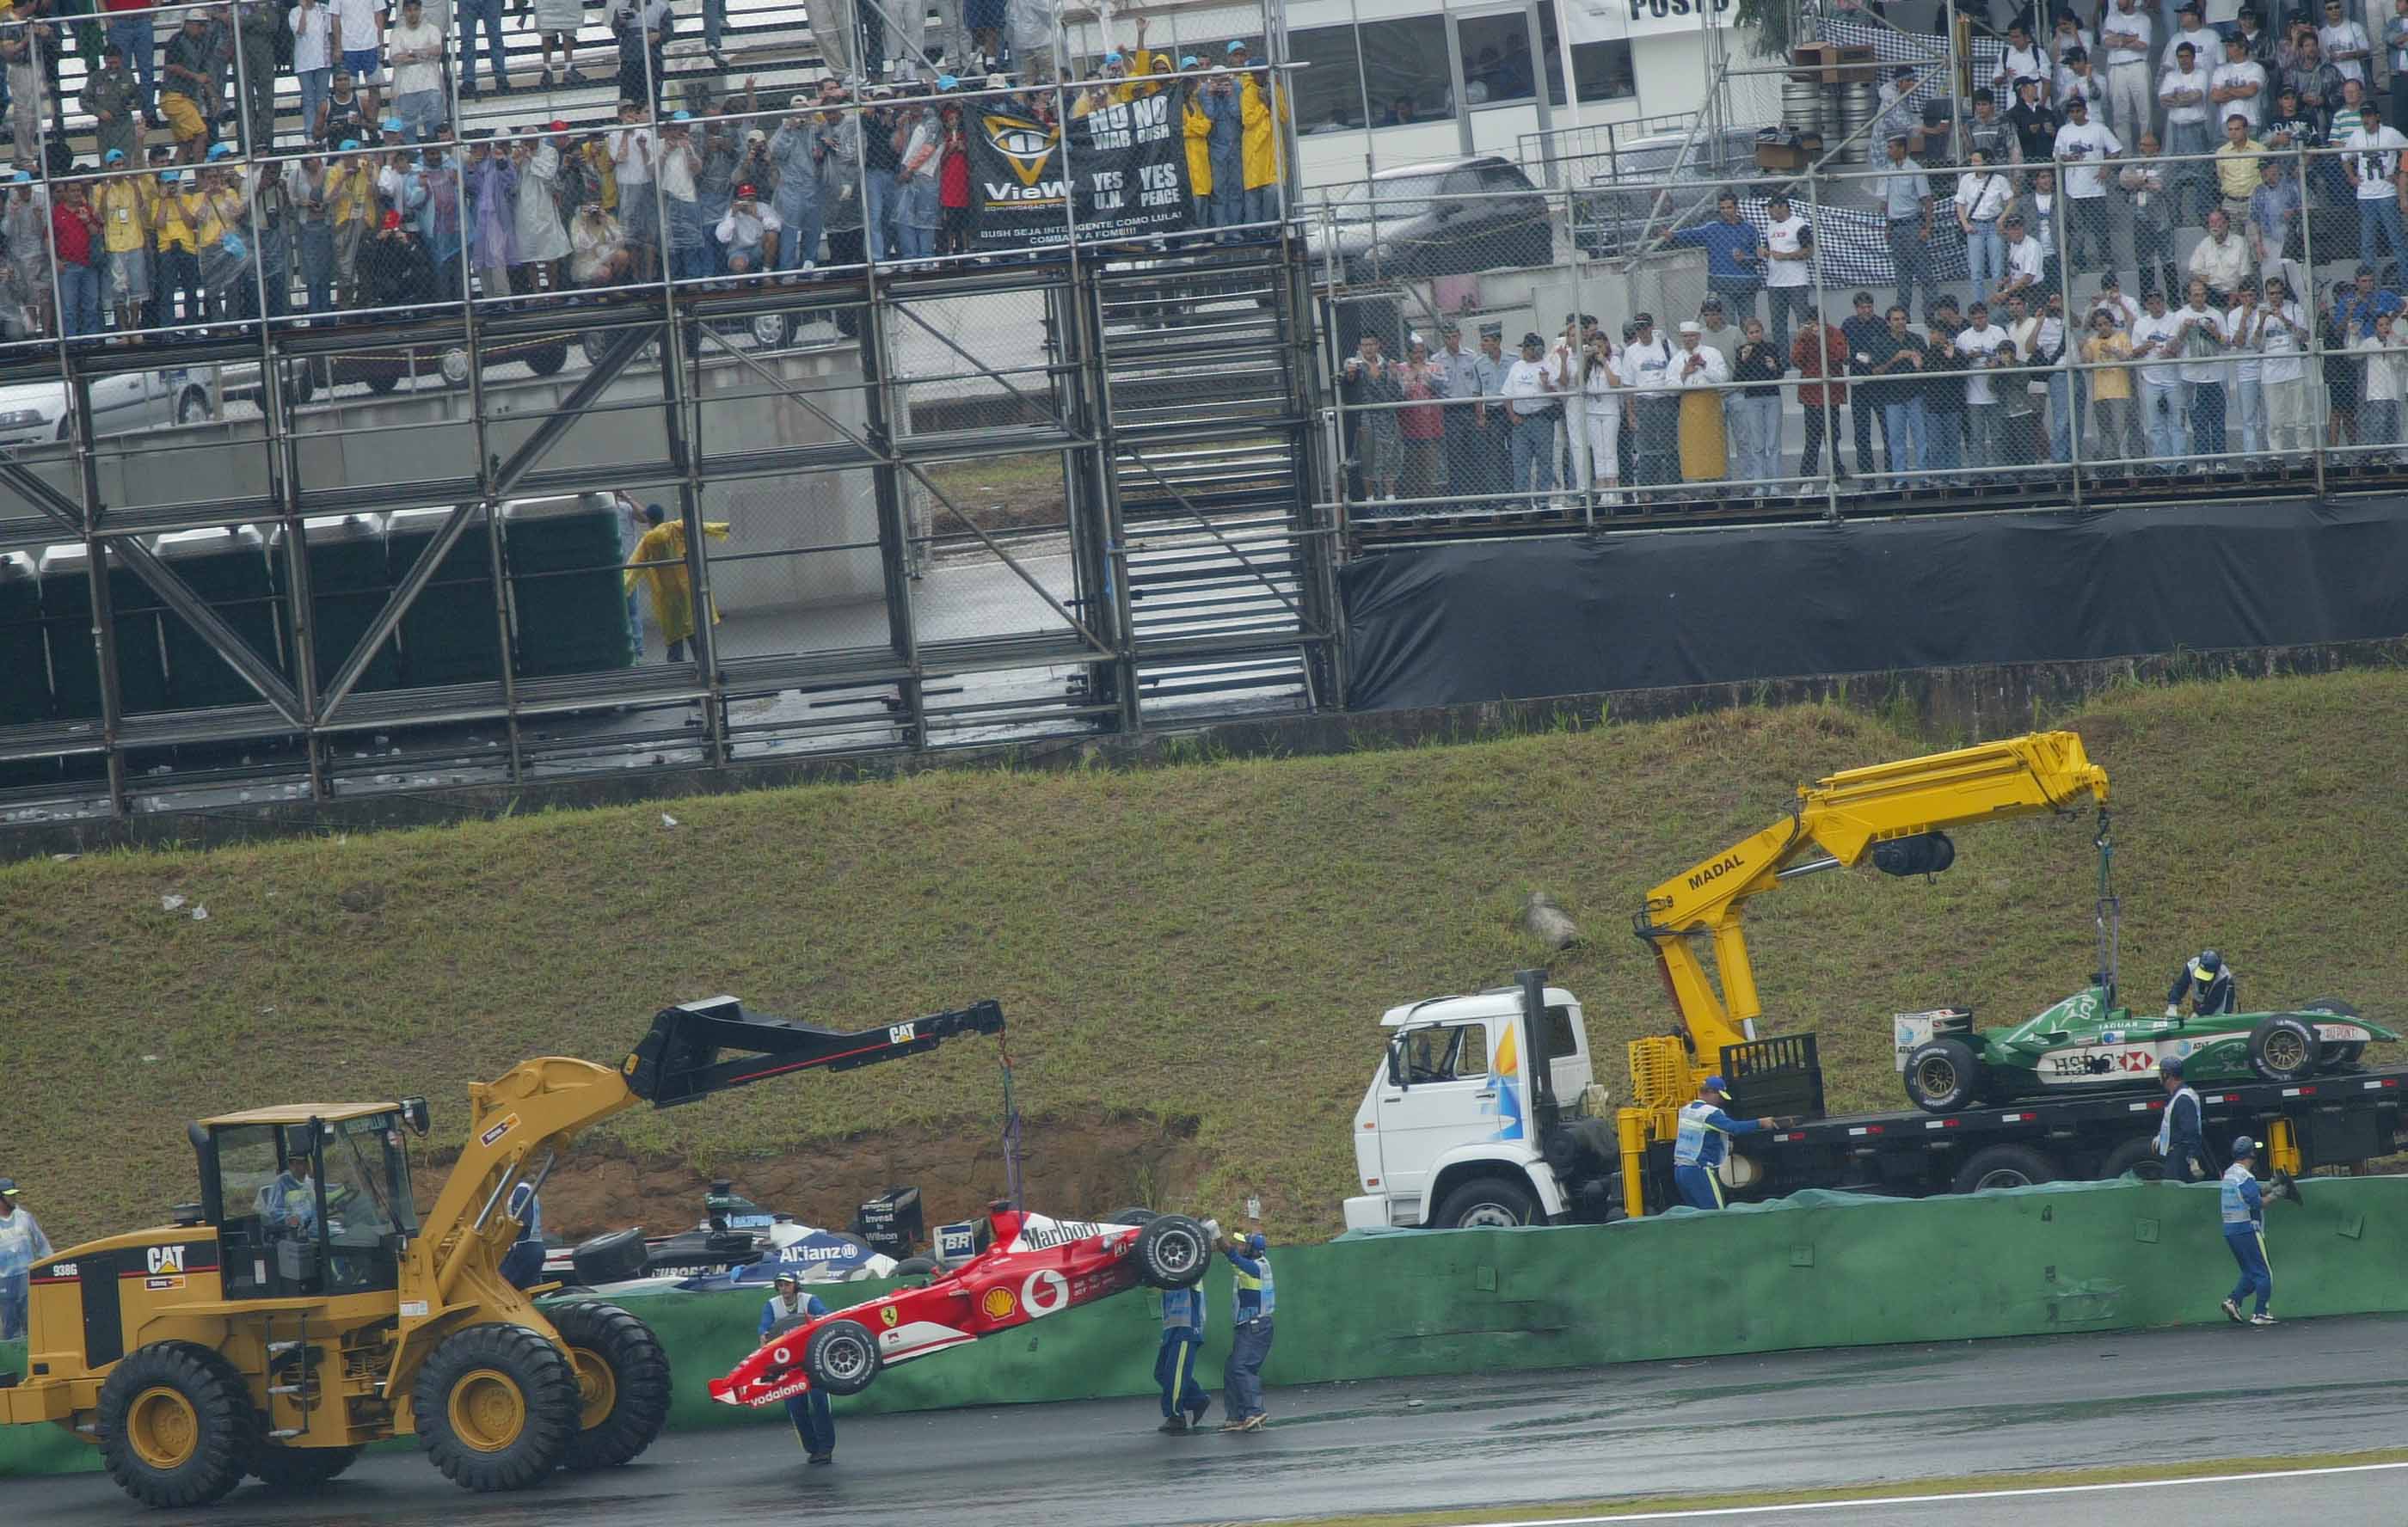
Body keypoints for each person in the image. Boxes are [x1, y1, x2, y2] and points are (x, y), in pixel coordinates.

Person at [760, 1271, 836, 1463]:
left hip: (813, 1361)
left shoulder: (809, 1300)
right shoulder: (772, 1305)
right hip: (788, 1365)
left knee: (820, 1403)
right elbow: (764, 1328)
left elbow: (827, 1317)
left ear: (795, 1284)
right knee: (795, 1406)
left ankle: (826, 1449)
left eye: (787, 1284)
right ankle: (813, 1448)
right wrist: (764, 1335)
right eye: (780, 1285)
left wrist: (813, 1320)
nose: (784, 1288)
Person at [1670, 1076, 1778, 1211]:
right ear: (1710, 1092)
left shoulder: (1686, 1110)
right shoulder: (1709, 1113)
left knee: (1696, 1215)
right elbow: (1734, 1128)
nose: (1721, 1101)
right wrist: (1760, 1123)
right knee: (1716, 1213)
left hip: (1681, 1170)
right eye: (1720, 1096)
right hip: (1699, 1171)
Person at [2053, 95, 2122, 279]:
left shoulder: (2098, 128)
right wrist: (2068, 158)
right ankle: (2077, 261)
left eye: (2078, 110)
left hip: (2095, 188)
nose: (2075, 114)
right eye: (2072, 111)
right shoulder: (2064, 131)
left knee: (2100, 227)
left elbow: (2116, 150)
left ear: (2085, 110)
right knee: (2076, 229)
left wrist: (2106, 168)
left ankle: (2106, 261)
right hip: (2073, 191)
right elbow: (2056, 155)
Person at [1669, 190, 1762, 325]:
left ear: (1736, 208)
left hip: (1746, 286)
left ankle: (1749, 346)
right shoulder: (1712, 229)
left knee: (1748, 324)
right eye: (1722, 208)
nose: (1725, 211)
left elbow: (1759, 258)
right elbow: (1692, 235)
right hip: (1723, 286)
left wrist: (1744, 258)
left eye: (1729, 207)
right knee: (1729, 324)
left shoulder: (1750, 229)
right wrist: (1673, 236)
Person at [2344, 97, 2408, 279]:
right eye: (2363, 116)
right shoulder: (2356, 135)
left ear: (2377, 117)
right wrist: (2352, 177)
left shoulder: (2391, 133)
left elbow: (2407, 150)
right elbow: (2344, 158)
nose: (2366, 119)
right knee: (2367, 244)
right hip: (2365, 196)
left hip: (2387, 194)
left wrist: (2398, 174)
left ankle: (2406, 284)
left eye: (2369, 115)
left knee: (2397, 241)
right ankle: (2368, 287)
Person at [1216, 1229, 1273, 1433]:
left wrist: (1215, 1234)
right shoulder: (1258, 1264)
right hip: (1249, 1326)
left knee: (1242, 1367)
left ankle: (1255, 1412)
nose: (1240, 1247)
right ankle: (1237, 1416)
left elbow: (1230, 1253)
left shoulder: (1253, 1268)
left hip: (1255, 1326)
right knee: (1233, 1369)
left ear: (1253, 1250)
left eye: (1244, 1245)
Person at [1874, 135, 1933, 323]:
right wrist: (1888, 226)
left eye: (1891, 147)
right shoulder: (1889, 170)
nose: (1888, 151)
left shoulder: (1915, 169)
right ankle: (1902, 320)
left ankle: (1930, 316)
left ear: (1902, 149)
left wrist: (1926, 227)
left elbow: (1927, 200)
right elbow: (1886, 202)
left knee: (1924, 274)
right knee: (1902, 277)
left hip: (1912, 225)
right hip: (1896, 228)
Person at [1498, 330, 1561, 502]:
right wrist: (1512, 416)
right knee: (1520, 462)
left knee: (1544, 461)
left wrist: (1547, 384)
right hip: (1520, 421)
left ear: (1536, 349)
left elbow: (1558, 397)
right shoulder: (1517, 366)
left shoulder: (1548, 366)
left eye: (1526, 348)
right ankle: (1522, 500)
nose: (1523, 352)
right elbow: (1506, 395)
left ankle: (1542, 499)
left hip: (1541, 419)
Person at [2219, 1136, 2276, 1325]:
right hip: (2247, 1229)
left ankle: (2233, 1300)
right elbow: (2257, 1203)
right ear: (2251, 1154)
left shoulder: (2229, 1174)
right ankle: (2261, 1313)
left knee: (2250, 1273)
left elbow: (2247, 1195)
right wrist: (2277, 1194)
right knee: (2264, 1273)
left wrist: (2268, 1188)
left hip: (2230, 1230)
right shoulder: (2245, 1176)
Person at [1867, 304, 1928, 474]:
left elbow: (1928, 368)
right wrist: (1895, 359)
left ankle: (1925, 476)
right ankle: (1901, 478)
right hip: (1892, 398)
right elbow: (1875, 370)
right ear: (1888, 322)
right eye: (1896, 319)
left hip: (1916, 396)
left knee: (1921, 438)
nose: (1900, 322)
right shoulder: (1881, 342)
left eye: (1903, 319)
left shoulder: (1917, 339)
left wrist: (1919, 364)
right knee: (1896, 441)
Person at [2259, 273, 2316, 453]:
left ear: (2283, 293)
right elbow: (2254, 344)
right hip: (2271, 373)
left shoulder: (2294, 309)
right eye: (2271, 294)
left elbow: (2304, 336)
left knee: (2301, 416)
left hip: (2294, 370)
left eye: (2278, 293)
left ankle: (2306, 452)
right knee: (2275, 419)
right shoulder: (2260, 312)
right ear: (2267, 295)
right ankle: (2276, 454)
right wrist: (2262, 321)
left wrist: (2284, 319)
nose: (2275, 297)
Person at [1343, 331, 1402, 504]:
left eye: (1372, 344)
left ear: (1378, 345)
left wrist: (1392, 374)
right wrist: (1351, 374)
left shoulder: (1387, 364)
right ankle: (1370, 499)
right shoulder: (1354, 363)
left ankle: (1390, 497)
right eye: (1365, 345)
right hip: (1366, 417)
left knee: (1390, 455)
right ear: (1360, 347)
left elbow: (1395, 393)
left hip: (1387, 416)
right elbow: (1349, 379)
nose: (1369, 348)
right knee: (1367, 456)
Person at [1793, 308, 1849, 485]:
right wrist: (1802, 338)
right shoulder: (1803, 336)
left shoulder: (1835, 333)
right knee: (1812, 438)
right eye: (1812, 323)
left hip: (1831, 394)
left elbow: (1839, 357)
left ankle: (1835, 475)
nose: (1815, 327)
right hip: (1811, 394)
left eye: (1818, 323)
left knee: (1832, 436)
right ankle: (1807, 478)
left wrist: (1822, 339)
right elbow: (1796, 361)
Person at [1673, 320, 1731, 487]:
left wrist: (1703, 365)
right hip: (1689, 404)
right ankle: (1698, 483)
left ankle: (1718, 481)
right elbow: (1670, 385)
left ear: (1699, 336)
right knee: (1693, 447)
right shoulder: (1677, 358)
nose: (1688, 339)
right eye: (1685, 336)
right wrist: (1684, 373)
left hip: (1709, 403)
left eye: (1691, 335)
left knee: (1713, 444)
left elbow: (1723, 377)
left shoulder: (1712, 353)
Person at [1729, 316, 1782, 494]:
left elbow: (1780, 374)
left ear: (1762, 332)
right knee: (1757, 443)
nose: (1754, 335)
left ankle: (1775, 483)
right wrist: (1744, 360)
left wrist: (1774, 366)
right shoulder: (1742, 351)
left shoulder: (1771, 348)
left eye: (1757, 331)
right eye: (1751, 333)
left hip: (1772, 396)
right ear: (1746, 335)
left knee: (1773, 441)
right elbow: (1738, 379)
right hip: (1752, 398)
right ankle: (1760, 483)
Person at [1758, 188, 1813, 358]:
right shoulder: (1770, 226)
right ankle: (1783, 359)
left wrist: (1787, 256)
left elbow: (1809, 251)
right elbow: (1769, 247)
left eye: (1770, 208)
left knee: (1803, 322)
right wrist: (1764, 251)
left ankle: (1806, 357)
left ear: (1782, 207)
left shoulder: (1799, 224)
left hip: (1796, 282)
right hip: (1775, 283)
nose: (1768, 212)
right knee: (1777, 324)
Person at [1155, 1266, 1210, 1432]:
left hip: (1187, 1328)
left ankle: (1176, 1416)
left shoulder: (1191, 1273)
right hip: (1171, 1330)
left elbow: (1194, 1271)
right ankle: (1198, 1399)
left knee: (1175, 1375)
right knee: (1162, 1372)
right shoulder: (1166, 1277)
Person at [2084, 304, 2141, 463]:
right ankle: (2110, 462)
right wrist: (2085, 348)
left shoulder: (2122, 337)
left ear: (2111, 323)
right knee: (2105, 430)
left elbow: (2128, 360)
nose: (2103, 328)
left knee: (2120, 428)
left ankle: (2123, 457)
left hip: (2120, 392)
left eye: (2106, 324)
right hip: (2100, 393)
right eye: (2099, 325)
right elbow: (2087, 366)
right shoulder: (2092, 341)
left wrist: (2113, 351)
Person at [1573, 327, 1623, 506]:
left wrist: (1605, 363)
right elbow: (1577, 382)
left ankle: (1613, 489)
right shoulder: (1589, 365)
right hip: (1592, 412)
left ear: (1606, 346)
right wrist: (1586, 360)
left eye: (1600, 346)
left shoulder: (1614, 360)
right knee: (1598, 451)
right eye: (1594, 347)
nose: (1597, 350)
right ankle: (1602, 490)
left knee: (1609, 450)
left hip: (1609, 411)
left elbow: (1615, 383)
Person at [1961, 299, 2012, 471]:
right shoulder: (1964, 337)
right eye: (1975, 318)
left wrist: (1994, 360)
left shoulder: (1998, 332)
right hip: (1974, 396)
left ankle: (2000, 470)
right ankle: (1979, 472)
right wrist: (1969, 357)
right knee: (1977, 437)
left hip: (1995, 394)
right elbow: (1958, 362)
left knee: (1998, 436)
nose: (1979, 321)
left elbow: (2009, 357)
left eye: (1982, 317)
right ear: (1970, 318)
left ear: (1987, 316)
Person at [1957, 150, 2015, 303]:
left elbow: (2010, 202)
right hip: (1975, 226)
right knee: (1976, 272)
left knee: (1997, 270)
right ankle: (1979, 305)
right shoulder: (1966, 180)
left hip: (1994, 225)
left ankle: (1999, 302)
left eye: (1977, 161)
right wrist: (1965, 224)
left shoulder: (1999, 180)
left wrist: (2001, 219)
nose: (1973, 164)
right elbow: (1960, 204)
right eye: (1973, 161)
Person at [1840, 291, 1886, 475]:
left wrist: (1864, 358)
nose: (1867, 310)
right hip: (1859, 383)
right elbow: (1844, 354)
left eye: (1869, 306)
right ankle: (1868, 476)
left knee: (1887, 430)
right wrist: (1858, 358)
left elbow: (1884, 353)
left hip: (1880, 384)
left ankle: (1891, 475)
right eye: (1863, 307)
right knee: (1861, 433)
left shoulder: (1881, 324)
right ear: (1856, 308)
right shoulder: (1848, 324)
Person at [386, 0, 445, 143]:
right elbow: (396, 57)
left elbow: (437, 51)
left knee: (434, 130)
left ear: (420, 10)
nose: (413, 13)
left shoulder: (432, 29)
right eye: (409, 10)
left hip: (430, 85)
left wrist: (411, 52)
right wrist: (424, 54)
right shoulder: (397, 33)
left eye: (415, 9)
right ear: (404, 12)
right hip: (406, 88)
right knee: (408, 133)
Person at [0, 1178, 52, 1341]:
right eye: (9, 1195)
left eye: (15, 1194)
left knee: (33, 1324)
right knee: (10, 1327)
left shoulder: (25, 1218)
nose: (14, 1198)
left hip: (28, 1278)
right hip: (4, 1283)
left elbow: (42, 1244)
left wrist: (51, 1265)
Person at [2225, 275, 2269, 451]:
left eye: (2251, 295)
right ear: (2239, 297)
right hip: (2246, 370)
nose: (2249, 300)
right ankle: (2251, 456)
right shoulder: (2234, 315)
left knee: (2267, 417)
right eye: (2244, 296)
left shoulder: (2265, 310)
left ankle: (2271, 456)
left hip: (2266, 365)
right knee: (2248, 418)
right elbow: (2238, 342)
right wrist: (2244, 318)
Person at [2101, 0, 2156, 137]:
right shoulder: (2111, 18)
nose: (2118, 2)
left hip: (2138, 65)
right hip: (2116, 67)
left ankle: (2147, 151)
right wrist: (2130, 39)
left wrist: (2118, 39)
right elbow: (2107, 42)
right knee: (2120, 114)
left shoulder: (2143, 19)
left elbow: (2143, 45)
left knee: (2145, 112)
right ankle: (2125, 154)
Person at [2155, 1057, 2212, 1183]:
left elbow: (2190, 1130)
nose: (2158, 1077)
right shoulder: (2179, 1096)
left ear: (2167, 1075)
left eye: (2160, 1073)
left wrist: (2192, 1158)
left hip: (2180, 1157)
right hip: (2178, 1155)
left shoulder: (2183, 1099)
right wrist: (2162, 1137)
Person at [2213, 30, 2270, 133]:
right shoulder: (2221, 70)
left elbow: (2251, 91)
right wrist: (2241, 92)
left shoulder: (2256, 68)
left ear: (2243, 48)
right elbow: (2215, 97)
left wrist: (2226, 90)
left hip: (2250, 123)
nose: (2227, 49)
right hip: (2227, 125)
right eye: (2227, 46)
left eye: (2230, 46)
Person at [2189, 205, 2251, 300]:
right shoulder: (2204, 244)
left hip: (2235, 292)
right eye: (2211, 222)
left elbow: (2244, 275)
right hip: (2212, 292)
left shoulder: (2240, 243)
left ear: (2226, 223)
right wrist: (2212, 282)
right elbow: (2194, 269)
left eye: (2218, 221)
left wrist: (2234, 292)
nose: (2214, 225)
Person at [256, 1145, 320, 1236]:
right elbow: (274, 1211)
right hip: (293, 1232)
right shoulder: (282, 1182)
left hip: (315, 1227)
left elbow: (325, 1194)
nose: (295, 1167)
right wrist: (290, 1218)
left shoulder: (309, 1181)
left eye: (299, 1163)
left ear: (307, 1165)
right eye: (292, 1164)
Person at [2167, 948, 2239, 1015]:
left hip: (2220, 999)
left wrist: (2199, 1014)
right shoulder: (2192, 967)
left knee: (2219, 1020)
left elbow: (2214, 1002)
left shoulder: (2222, 978)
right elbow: (2180, 986)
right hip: (2201, 997)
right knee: (2198, 1006)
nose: (2202, 979)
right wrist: (2172, 1005)